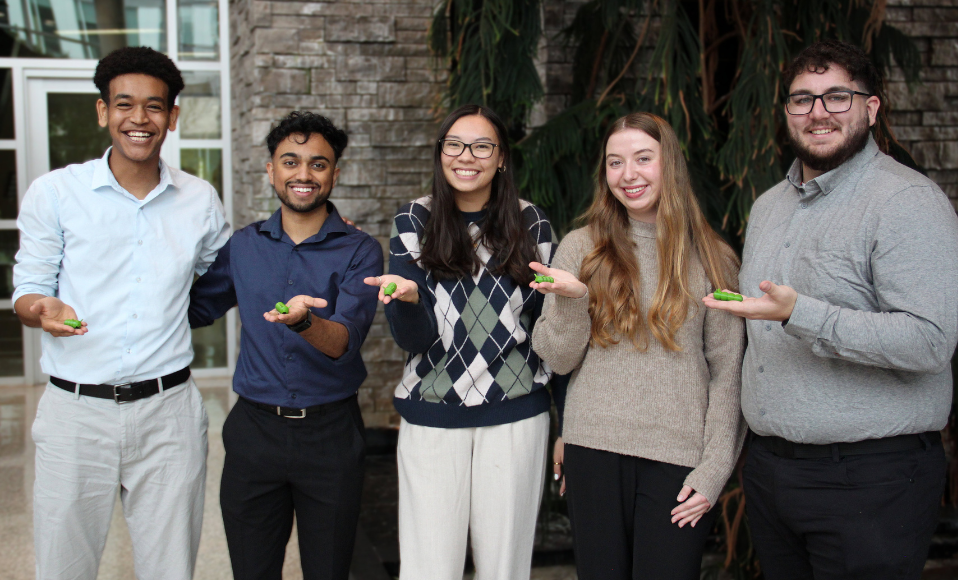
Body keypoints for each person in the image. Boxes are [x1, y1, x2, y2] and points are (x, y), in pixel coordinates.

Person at [704, 39, 958, 579]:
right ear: (787, 114)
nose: (818, 112)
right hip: (774, 473)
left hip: (871, 481)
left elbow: (930, 342)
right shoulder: (769, 206)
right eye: (802, 99)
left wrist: (799, 314)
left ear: (871, 109)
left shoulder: (906, 202)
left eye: (836, 97)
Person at [12, 47, 230, 580]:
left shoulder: (199, 199)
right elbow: (28, 289)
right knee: (64, 567)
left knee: (171, 567)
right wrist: (41, 308)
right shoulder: (57, 193)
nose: (139, 119)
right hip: (75, 413)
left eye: (154, 107)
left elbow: (220, 277)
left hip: (168, 412)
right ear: (102, 111)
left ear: (172, 117)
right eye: (125, 105)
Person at [530, 112, 746, 580]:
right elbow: (560, 359)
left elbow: (729, 371)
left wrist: (714, 469)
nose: (628, 175)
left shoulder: (713, 258)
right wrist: (572, 302)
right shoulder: (580, 247)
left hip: (678, 458)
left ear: (669, 164)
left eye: (643, 159)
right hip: (593, 449)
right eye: (615, 162)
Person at [188, 111, 383, 580]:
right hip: (254, 433)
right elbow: (193, 310)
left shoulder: (361, 249)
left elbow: (343, 343)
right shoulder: (243, 246)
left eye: (318, 164)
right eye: (290, 161)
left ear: (335, 174)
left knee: (329, 571)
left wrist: (304, 323)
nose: (303, 174)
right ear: (270, 171)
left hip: (330, 436)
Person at [364, 104, 554, 580]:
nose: (466, 156)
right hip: (432, 413)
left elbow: (546, 330)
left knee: (505, 568)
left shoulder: (532, 224)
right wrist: (405, 301)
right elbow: (417, 339)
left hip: (515, 413)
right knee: (429, 567)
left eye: (482, 145)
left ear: (502, 158)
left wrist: (565, 421)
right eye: (454, 144)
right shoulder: (414, 218)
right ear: (441, 152)